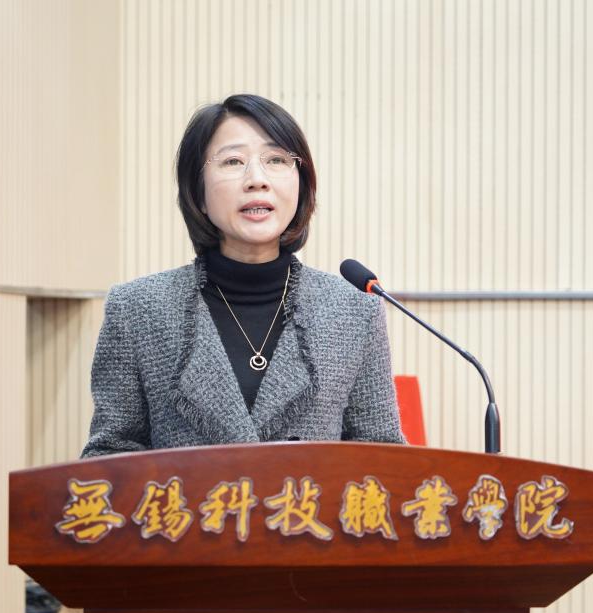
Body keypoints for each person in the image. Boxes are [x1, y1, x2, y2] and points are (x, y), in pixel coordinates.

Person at [80, 94, 404, 458]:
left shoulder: (355, 312)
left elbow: (383, 460)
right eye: (233, 161)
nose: (257, 179)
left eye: (276, 159)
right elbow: (109, 457)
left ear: (301, 183)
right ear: (198, 192)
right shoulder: (136, 309)